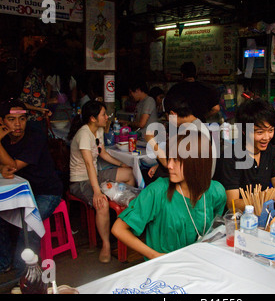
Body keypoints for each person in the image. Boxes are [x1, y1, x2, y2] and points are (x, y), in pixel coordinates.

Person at [111, 131, 226, 260]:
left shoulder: (216, 192)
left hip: (198, 263)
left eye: (176, 160)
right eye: (169, 158)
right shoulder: (158, 191)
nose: (169, 165)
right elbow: (119, 229)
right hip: (164, 269)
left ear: (197, 163)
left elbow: (214, 229)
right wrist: (154, 255)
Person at [0, 99, 62, 276]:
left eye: (22, 119)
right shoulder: (5, 139)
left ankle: (25, 275)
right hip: (20, 193)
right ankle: (4, 263)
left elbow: (12, 165)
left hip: (46, 192)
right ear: (2, 121)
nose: (17, 124)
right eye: (11, 120)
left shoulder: (35, 136)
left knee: (29, 224)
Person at [69, 100, 134, 263]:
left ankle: (126, 220)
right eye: (104, 114)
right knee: (102, 203)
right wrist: (97, 191)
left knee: (129, 173)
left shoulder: (97, 130)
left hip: (95, 175)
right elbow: (89, 164)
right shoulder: (84, 134)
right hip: (80, 181)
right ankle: (105, 244)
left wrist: (122, 164)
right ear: (92, 118)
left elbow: (102, 153)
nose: (107, 117)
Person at [214, 99, 275, 211]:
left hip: (260, 216)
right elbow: (232, 205)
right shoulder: (230, 157)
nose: (266, 137)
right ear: (244, 131)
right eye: (259, 132)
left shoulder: (269, 150)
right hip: (235, 222)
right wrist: (269, 195)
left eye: (270, 130)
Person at [144, 89, 217, 185]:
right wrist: (159, 166)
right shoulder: (194, 124)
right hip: (193, 176)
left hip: (196, 183)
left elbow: (167, 163)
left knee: (149, 179)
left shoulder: (194, 131)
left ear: (173, 114)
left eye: (167, 116)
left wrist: (151, 141)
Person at [19, 48, 54, 132]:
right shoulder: (32, 78)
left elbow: (39, 101)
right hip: (32, 120)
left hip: (41, 120)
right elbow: (21, 103)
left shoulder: (41, 77)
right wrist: (39, 109)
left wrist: (51, 101)